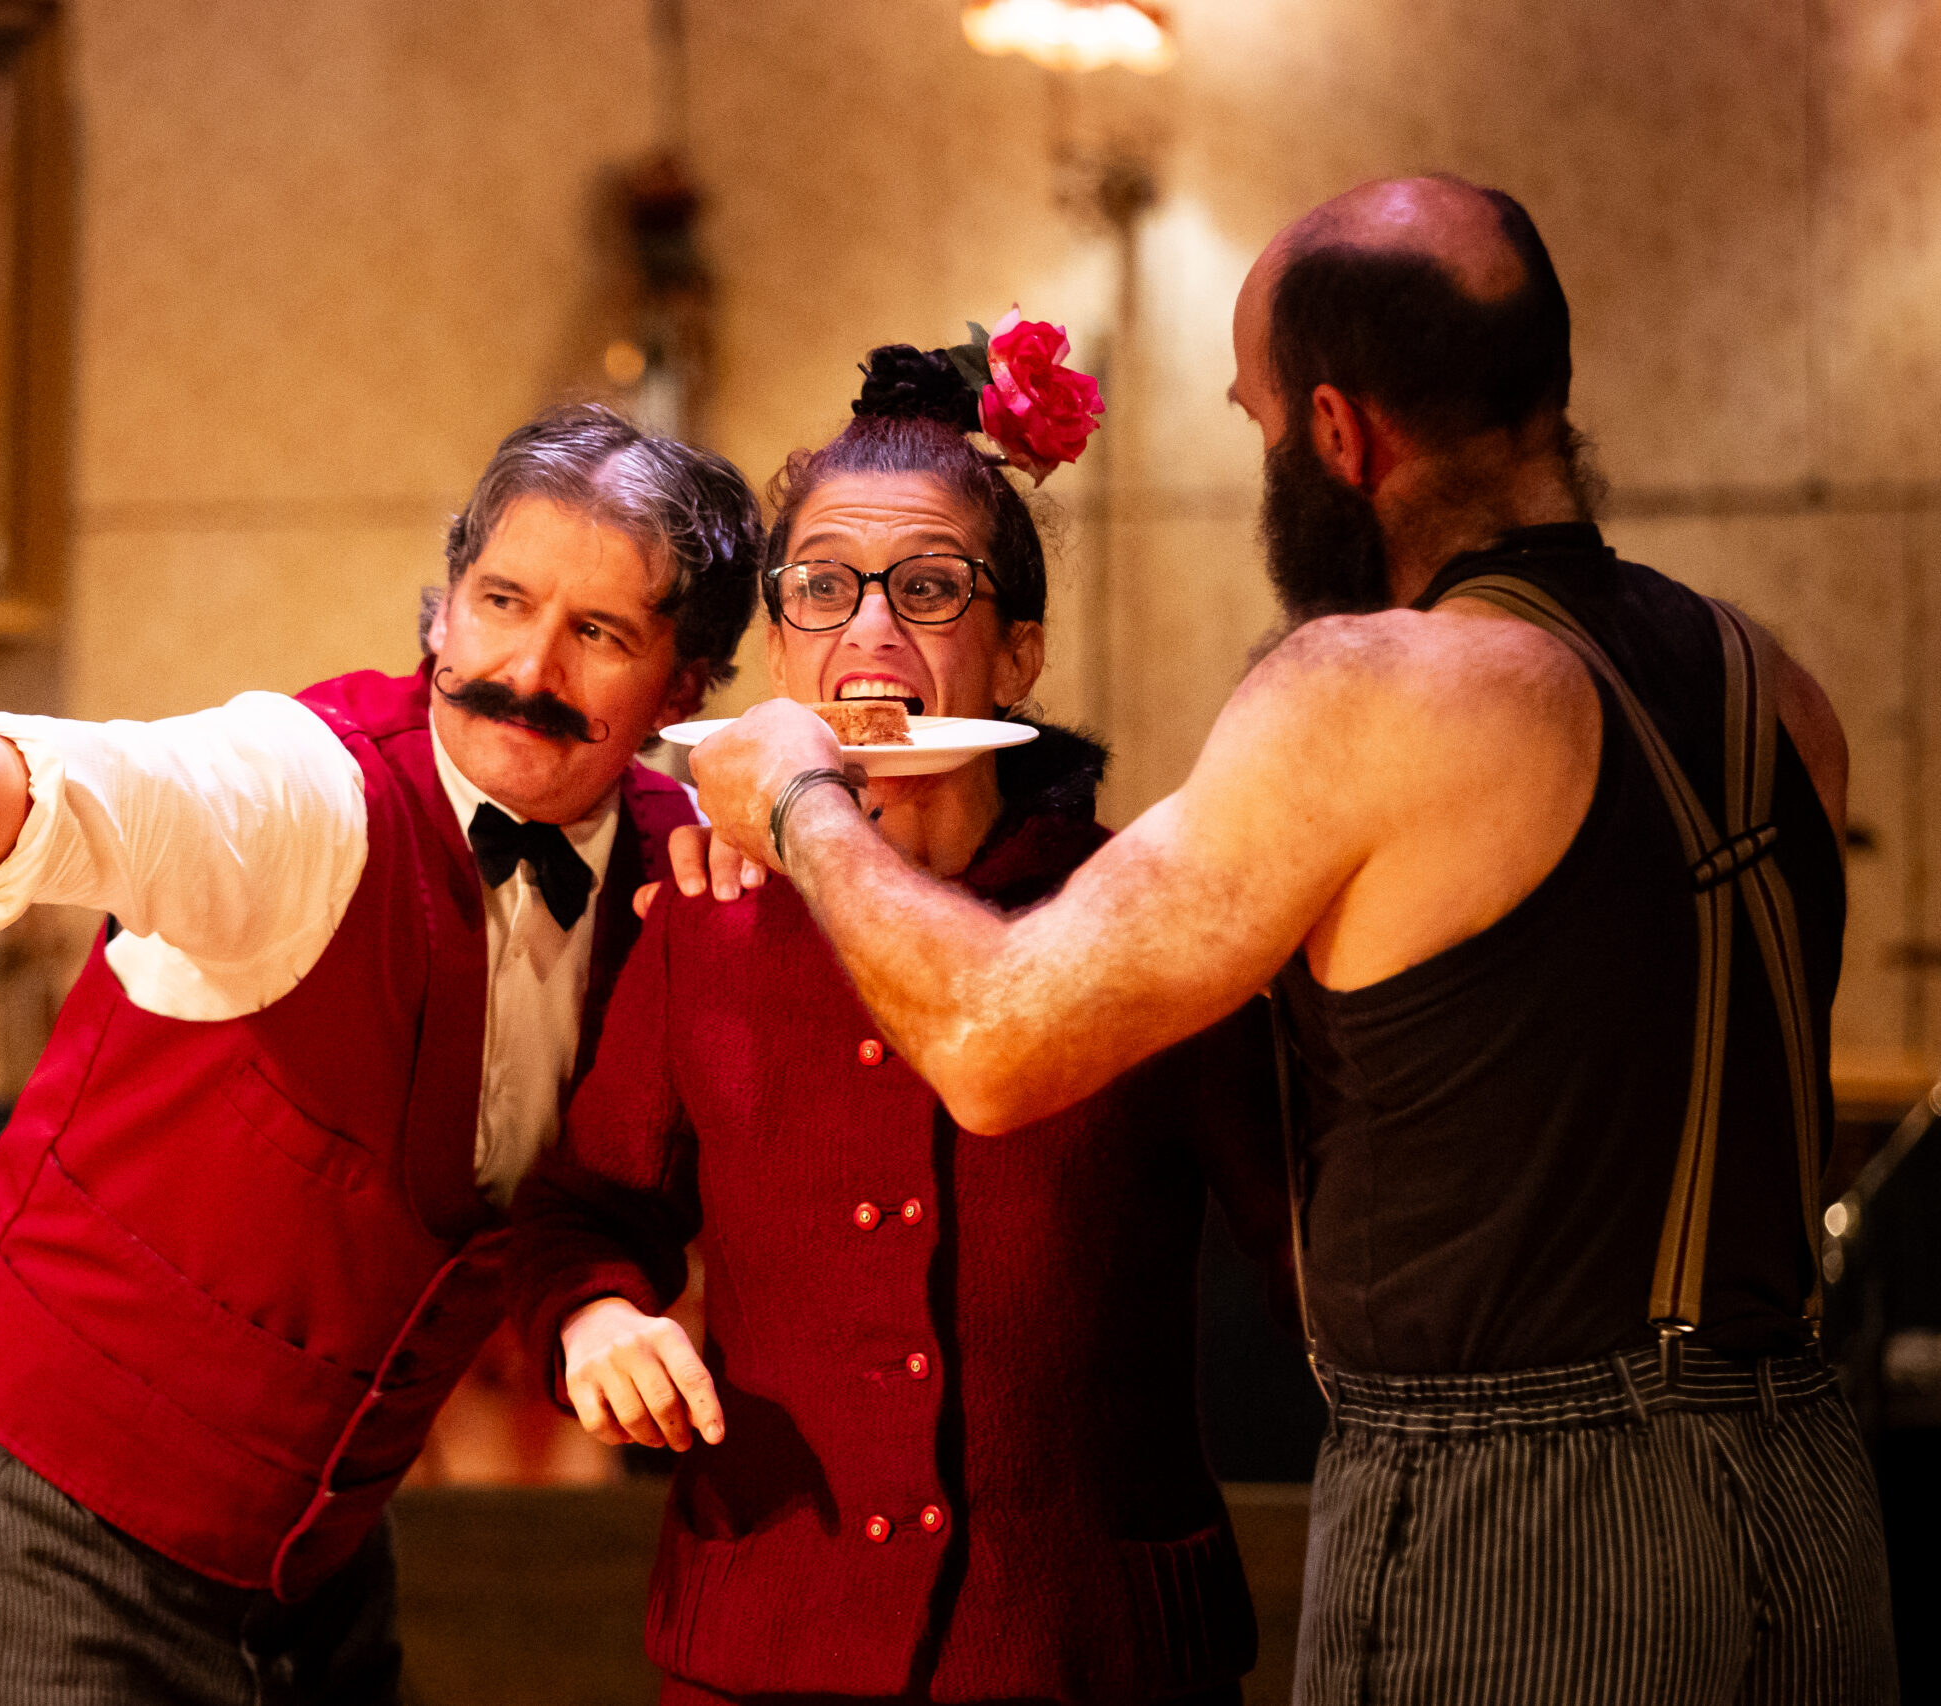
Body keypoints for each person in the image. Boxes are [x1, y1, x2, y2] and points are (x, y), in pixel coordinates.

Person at [685, 179, 1900, 1704]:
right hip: (1806, 1484)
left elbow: (992, 1044)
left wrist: (798, 802)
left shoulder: (1372, 688)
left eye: (1259, 422)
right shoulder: (1773, 686)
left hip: (1523, 1527)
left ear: (1337, 434)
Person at [0, 404, 762, 1704]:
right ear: (444, 609)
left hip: (312, 1574)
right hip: (31, 1526)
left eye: (599, 632)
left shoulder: (676, 867)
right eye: (501, 601)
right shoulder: (312, 795)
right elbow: (123, 790)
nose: (528, 664)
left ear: (684, 687)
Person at [507, 331, 1292, 1704]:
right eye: (821, 589)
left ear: (1017, 653)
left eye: (927, 590)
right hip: (766, 1650)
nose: (869, 635)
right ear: (780, 649)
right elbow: (577, 1215)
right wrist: (593, 1319)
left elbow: (1326, 1247)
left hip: (1086, 1657)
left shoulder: (1142, 913)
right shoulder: (704, 921)